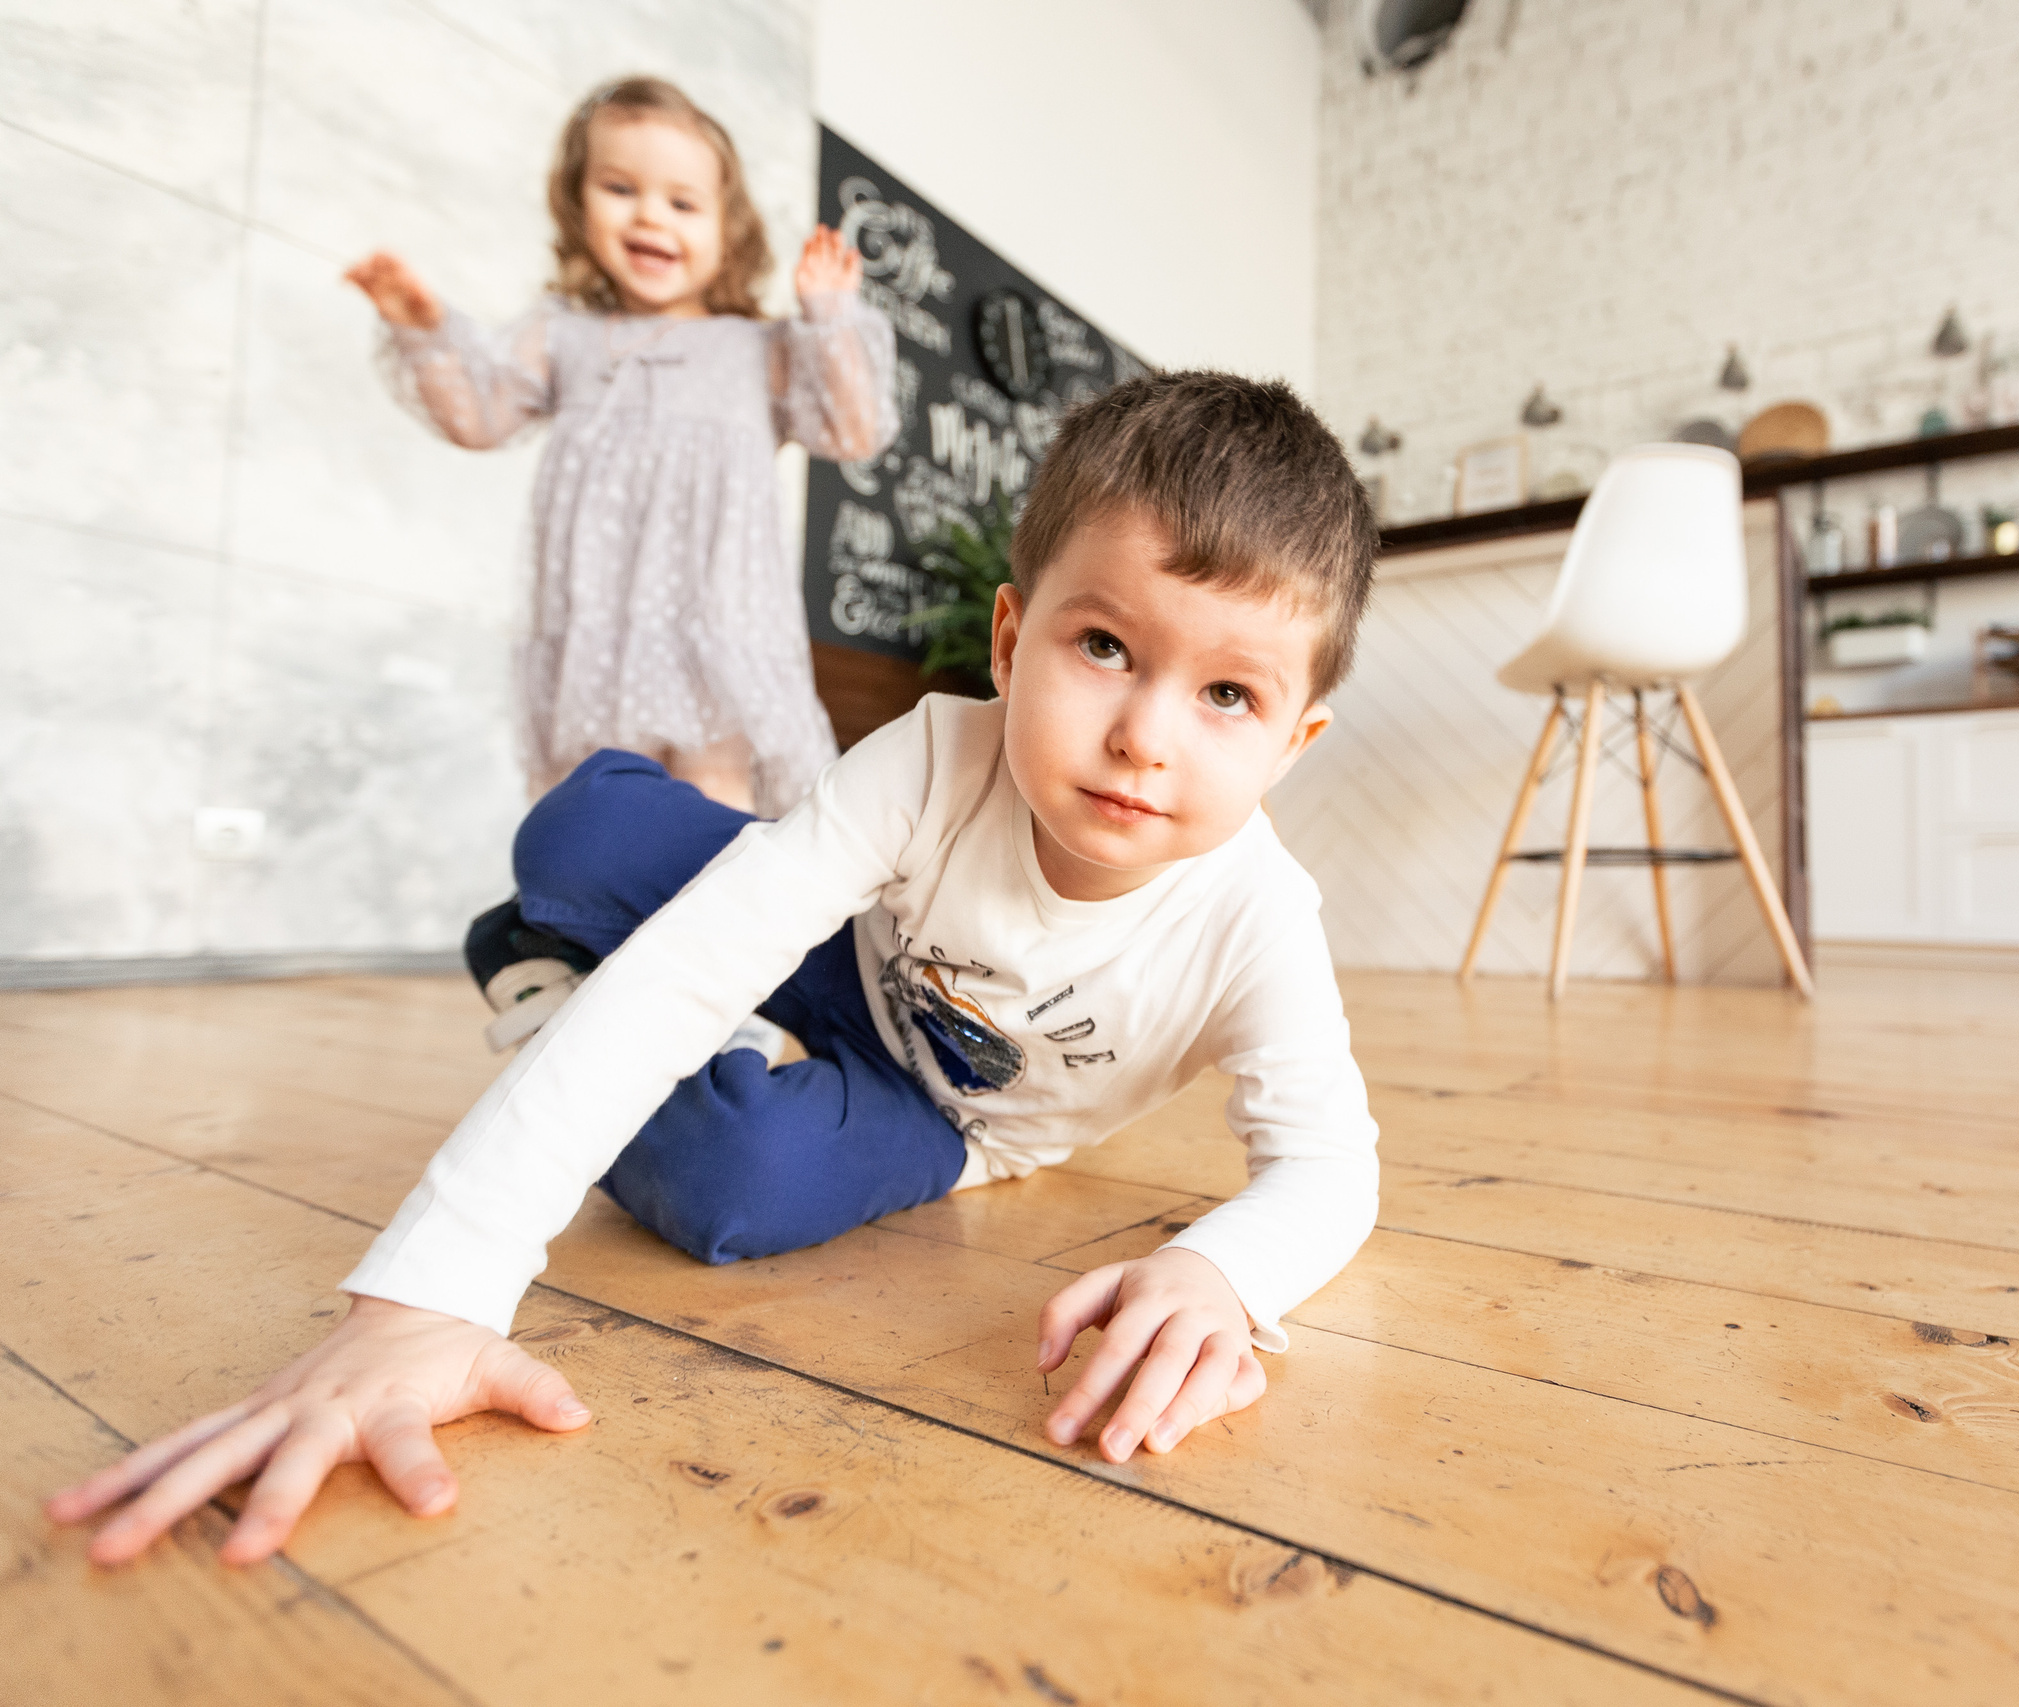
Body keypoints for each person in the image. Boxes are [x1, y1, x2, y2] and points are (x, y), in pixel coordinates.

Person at [49, 371, 1382, 1569]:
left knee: (733, 1180)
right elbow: (690, 962)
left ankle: (564, 994)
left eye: (1227, 696)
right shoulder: (932, 756)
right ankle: (642, 990)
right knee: (582, 827)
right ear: (1009, 638)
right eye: (1105, 647)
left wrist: (1224, 1273)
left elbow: (1328, 1167)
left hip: (947, 1118)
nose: (1145, 732)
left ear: (1294, 741)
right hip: (831, 959)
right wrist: (433, 1289)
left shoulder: (1256, 915)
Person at [348, 76, 895, 818]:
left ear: (727, 227)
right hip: (598, 632)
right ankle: (594, 928)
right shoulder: (564, 335)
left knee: (713, 797)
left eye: (682, 201)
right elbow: (480, 415)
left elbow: (854, 429)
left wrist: (829, 315)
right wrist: (423, 326)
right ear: (577, 202)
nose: (650, 217)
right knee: (599, 802)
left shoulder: (757, 347)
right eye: (619, 187)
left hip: (718, 626)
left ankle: (718, 929)